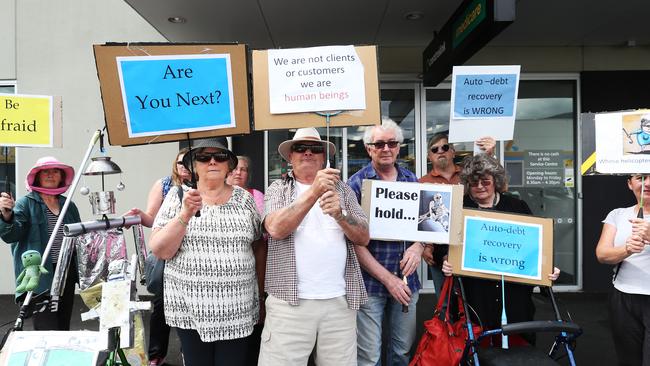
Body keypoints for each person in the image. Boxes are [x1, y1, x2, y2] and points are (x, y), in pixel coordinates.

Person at [258, 127, 369, 366]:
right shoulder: (278, 189)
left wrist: (340, 215)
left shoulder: (343, 190)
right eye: (300, 148)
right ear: (291, 157)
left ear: (323, 156)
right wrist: (314, 193)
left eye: (315, 148)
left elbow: (363, 236)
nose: (307, 152)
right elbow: (275, 229)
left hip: (339, 303)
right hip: (289, 303)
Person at [149, 138, 263, 366]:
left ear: (229, 165)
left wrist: (260, 295)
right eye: (203, 157)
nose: (212, 161)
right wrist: (185, 215)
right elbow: (161, 250)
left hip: (237, 308)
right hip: (190, 308)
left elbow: (258, 246)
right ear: (193, 166)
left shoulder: (245, 200)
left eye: (220, 157)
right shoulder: (177, 197)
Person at [441, 154, 559, 344]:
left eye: (485, 181)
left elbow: (534, 245)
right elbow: (442, 245)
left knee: (518, 346)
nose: (479, 186)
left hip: (514, 292)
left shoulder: (517, 206)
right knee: (479, 345)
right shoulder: (459, 207)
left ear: (496, 180)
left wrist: (547, 269)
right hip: (476, 292)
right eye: (473, 182)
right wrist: (446, 258)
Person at [347, 117, 422, 366]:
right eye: (379, 144)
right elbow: (354, 242)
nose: (386, 149)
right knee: (369, 357)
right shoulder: (355, 185)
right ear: (369, 148)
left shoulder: (413, 182)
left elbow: (428, 227)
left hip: (407, 282)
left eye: (391, 143)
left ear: (399, 147)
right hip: (371, 284)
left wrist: (419, 246)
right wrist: (388, 279)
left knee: (401, 352)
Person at [0, 156, 81, 330]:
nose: (51, 174)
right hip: (40, 276)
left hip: (65, 273)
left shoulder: (68, 205)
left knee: (63, 327)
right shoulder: (25, 203)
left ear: (61, 176)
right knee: (46, 329)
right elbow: (11, 235)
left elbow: (79, 238)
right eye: (46, 171)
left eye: (55, 171)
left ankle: (59, 357)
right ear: (37, 176)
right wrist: (6, 216)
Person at [125, 148, 190, 366]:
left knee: (192, 306)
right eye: (180, 162)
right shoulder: (164, 184)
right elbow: (151, 218)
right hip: (167, 254)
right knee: (162, 305)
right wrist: (138, 215)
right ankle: (156, 355)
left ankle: (187, 353)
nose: (183, 166)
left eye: (188, 162)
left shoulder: (205, 184)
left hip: (193, 255)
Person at [419, 133, 496, 298]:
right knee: (446, 301)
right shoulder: (421, 182)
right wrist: (425, 245)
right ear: (429, 156)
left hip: (473, 245)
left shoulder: (469, 175)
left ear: (453, 152)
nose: (441, 151)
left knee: (475, 298)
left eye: (445, 147)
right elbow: (419, 219)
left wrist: (488, 155)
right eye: (435, 149)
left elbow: (494, 186)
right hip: (440, 251)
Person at [596, 174, 650, 365]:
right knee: (629, 359)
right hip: (624, 298)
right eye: (640, 177)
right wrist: (627, 249)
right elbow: (602, 255)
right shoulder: (618, 215)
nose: (648, 183)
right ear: (629, 184)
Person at [226, 155, 267, 366]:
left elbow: (259, 231)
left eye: (243, 170)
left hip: (251, 263)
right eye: (235, 169)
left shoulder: (254, 195)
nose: (238, 173)